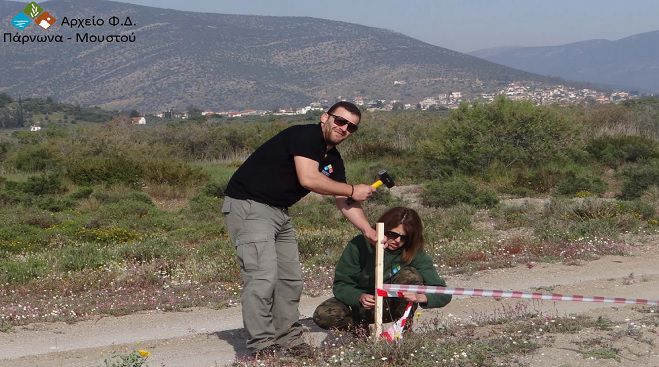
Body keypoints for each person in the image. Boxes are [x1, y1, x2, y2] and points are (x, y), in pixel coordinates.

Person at [222, 101, 376, 356]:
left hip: (279, 212)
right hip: (250, 206)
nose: (344, 129)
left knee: (290, 280)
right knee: (262, 277)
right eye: (340, 121)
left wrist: (367, 230)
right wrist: (352, 189)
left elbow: (343, 201)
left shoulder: (333, 158)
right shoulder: (305, 135)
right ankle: (262, 345)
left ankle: (288, 339)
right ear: (325, 117)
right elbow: (309, 179)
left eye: (351, 127)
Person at [313, 207, 452, 335]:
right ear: (382, 228)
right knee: (323, 314)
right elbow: (341, 284)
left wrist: (422, 297)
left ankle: (402, 332)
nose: (397, 241)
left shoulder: (414, 253)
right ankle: (361, 333)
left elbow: (443, 292)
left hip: (391, 305)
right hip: (362, 305)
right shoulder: (359, 245)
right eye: (392, 234)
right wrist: (358, 297)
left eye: (404, 238)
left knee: (410, 275)